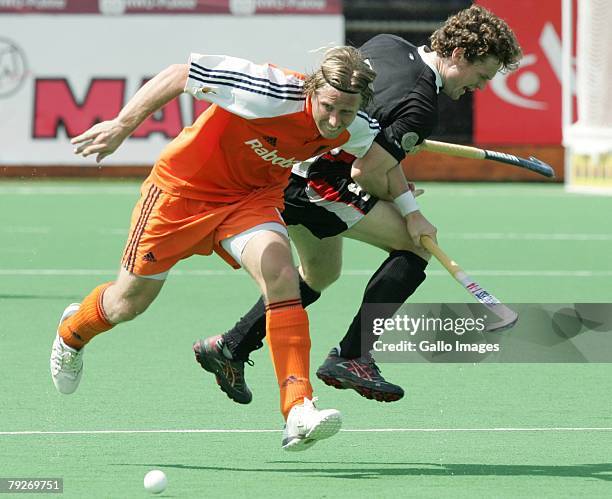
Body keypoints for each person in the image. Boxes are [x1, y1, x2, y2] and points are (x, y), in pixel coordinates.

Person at [49, 46, 394, 451]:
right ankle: (72, 332)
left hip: (252, 198)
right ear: (314, 90)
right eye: (328, 108)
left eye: (346, 113)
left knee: (282, 276)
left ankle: (298, 408)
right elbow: (181, 73)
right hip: (183, 191)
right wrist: (123, 125)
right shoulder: (267, 89)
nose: (335, 122)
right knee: (127, 303)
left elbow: (381, 158)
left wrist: (405, 202)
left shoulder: (356, 127)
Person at [194, 4, 522, 404]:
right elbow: (366, 173)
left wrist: (404, 198)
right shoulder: (422, 107)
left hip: (289, 172)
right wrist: (406, 209)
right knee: (413, 247)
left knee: (320, 274)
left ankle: (229, 347)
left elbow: (374, 146)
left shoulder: (388, 45)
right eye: (482, 75)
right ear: (457, 55)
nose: (482, 86)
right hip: (316, 184)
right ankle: (353, 356)